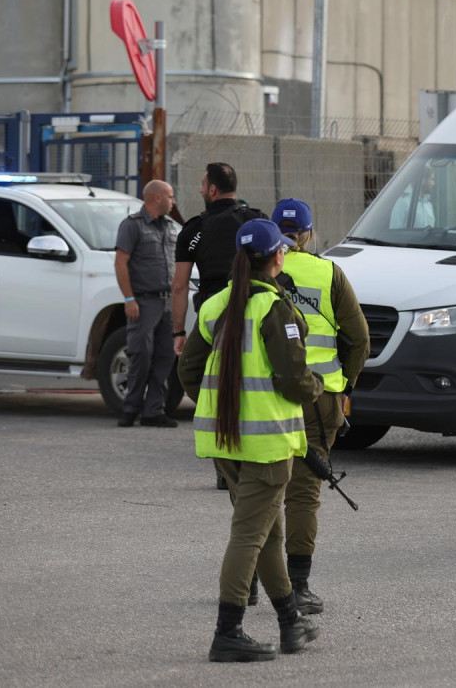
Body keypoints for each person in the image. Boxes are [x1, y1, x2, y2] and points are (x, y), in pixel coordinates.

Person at [177, 218, 324, 663]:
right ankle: (228, 631)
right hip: (266, 444)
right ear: (278, 256)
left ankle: (289, 621)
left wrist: (219, 405)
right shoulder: (275, 309)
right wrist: (317, 386)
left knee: (267, 533)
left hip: (224, 442)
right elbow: (293, 379)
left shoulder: (216, 304)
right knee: (249, 536)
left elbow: (188, 371)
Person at [271, 198, 371, 615]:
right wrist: (344, 384)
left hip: (267, 396)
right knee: (304, 492)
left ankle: (255, 578)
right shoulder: (330, 273)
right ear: (309, 234)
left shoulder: (257, 271)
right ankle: (298, 585)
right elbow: (360, 339)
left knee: (260, 490)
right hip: (319, 399)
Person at [172, 163, 266, 489]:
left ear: (212, 189)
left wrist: (179, 333)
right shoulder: (257, 220)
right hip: (259, 311)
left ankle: (225, 468)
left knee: (215, 382)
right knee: (255, 382)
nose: (200, 190)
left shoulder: (194, 230)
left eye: (202, 185)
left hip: (213, 319)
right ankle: (256, 454)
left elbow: (180, 286)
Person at [113, 179, 179, 428]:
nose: (173, 202)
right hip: (143, 301)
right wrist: (129, 297)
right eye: (170, 196)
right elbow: (121, 263)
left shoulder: (171, 227)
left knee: (165, 356)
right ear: (157, 198)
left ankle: (153, 411)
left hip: (168, 302)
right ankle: (130, 409)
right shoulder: (132, 226)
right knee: (140, 355)